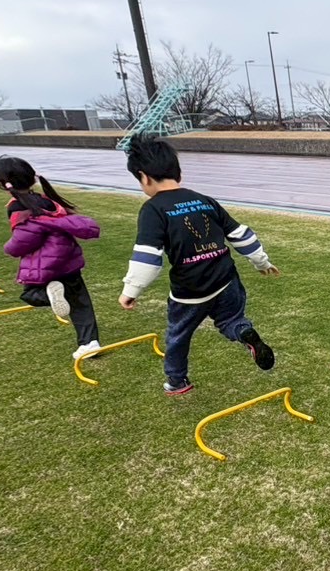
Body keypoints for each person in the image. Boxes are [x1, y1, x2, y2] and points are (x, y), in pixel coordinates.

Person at [118, 137, 279, 395]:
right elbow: (240, 234)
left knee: (178, 335)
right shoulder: (205, 200)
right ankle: (244, 331)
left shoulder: (153, 209)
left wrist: (131, 290)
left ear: (143, 177)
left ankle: (176, 381)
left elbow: (148, 257)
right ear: (177, 171)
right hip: (226, 281)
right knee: (230, 319)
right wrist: (262, 262)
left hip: (190, 291)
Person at [0, 155, 102, 360]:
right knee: (80, 303)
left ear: (3, 184)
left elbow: (25, 239)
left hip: (46, 265)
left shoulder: (18, 207)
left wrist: (9, 248)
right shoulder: (48, 201)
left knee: (30, 294)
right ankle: (89, 342)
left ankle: (49, 295)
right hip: (68, 261)